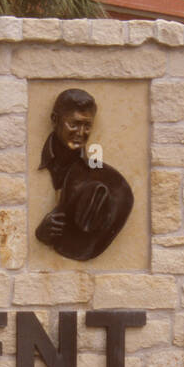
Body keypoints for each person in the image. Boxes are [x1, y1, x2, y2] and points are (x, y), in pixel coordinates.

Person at [35, 88, 134, 261]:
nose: (80, 133)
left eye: (87, 126)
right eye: (73, 124)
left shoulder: (94, 167)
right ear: (55, 120)